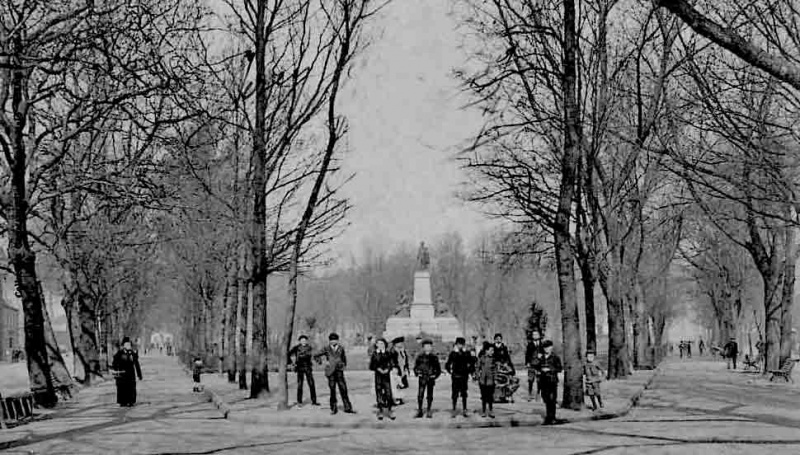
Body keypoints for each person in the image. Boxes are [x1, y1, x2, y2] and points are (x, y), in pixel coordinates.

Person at [314, 333, 355, 415]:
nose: (333, 341)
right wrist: (322, 362)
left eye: (335, 340)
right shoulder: (326, 348)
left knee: (343, 389)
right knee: (332, 390)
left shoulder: (341, 348)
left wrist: (343, 365)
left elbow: (344, 358)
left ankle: (348, 408)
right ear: (329, 341)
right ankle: (333, 408)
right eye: (332, 340)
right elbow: (315, 355)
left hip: (339, 371)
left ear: (337, 340)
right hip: (330, 372)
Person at [445, 337, 475, 418]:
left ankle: (465, 409)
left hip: (464, 376)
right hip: (455, 376)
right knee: (455, 393)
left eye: (461, 344)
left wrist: (470, 371)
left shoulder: (467, 353)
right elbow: (447, 364)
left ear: (464, 345)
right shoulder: (453, 353)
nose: (460, 346)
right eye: (458, 344)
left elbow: (472, 363)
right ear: (456, 344)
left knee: (464, 393)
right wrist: (450, 371)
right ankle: (454, 409)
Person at [535, 340, 562, 425]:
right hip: (543, 381)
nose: (547, 349)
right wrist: (540, 369)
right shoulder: (541, 358)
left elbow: (559, 368)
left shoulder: (555, 357)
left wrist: (550, 369)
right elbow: (536, 366)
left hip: (552, 380)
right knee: (546, 398)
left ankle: (552, 417)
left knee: (552, 399)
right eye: (545, 348)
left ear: (551, 347)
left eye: (548, 347)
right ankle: (548, 416)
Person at [111, 337, 143, 407]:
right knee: (122, 388)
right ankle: (123, 402)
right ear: (124, 345)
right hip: (122, 375)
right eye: (127, 344)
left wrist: (139, 375)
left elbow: (137, 364)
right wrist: (115, 369)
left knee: (131, 388)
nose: (128, 346)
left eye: (129, 344)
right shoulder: (119, 353)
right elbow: (114, 363)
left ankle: (131, 401)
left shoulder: (132, 353)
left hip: (131, 374)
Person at [369, 338, 396, 420]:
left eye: (382, 343)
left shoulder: (388, 353)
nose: (380, 345)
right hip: (378, 375)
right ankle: (380, 410)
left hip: (386, 376)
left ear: (385, 344)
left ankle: (390, 410)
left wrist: (388, 369)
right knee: (379, 392)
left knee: (388, 393)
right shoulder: (374, 354)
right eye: (379, 344)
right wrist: (378, 369)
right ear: (376, 345)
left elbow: (392, 363)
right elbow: (371, 365)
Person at [413, 339, 441, 418]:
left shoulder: (434, 357)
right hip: (422, 378)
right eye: (426, 346)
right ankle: (420, 410)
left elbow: (438, 369)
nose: (427, 348)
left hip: (430, 378)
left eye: (429, 346)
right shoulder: (420, 357)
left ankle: (429, 410)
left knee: (429, 395)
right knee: (420, 395)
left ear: (431, 347)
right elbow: (415, 367)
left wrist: (435, 376)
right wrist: (417, 373)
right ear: (423, 347)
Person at [289, 334, 318, 406]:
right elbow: (288, 354)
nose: (303, 341)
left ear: (306, 341)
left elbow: (315, 355)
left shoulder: (310, 348)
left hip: (308, 367)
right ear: (300, 341)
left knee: (311, 384)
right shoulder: (296, 348)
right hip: (299, 367)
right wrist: (291, 363)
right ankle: (299, 401)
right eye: (302, 340)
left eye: (305, 340)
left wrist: (318, 360)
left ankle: (314, 401)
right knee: (300, 385)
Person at [491, 333, 518, 403]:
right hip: (494, 367)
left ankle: (504, 396)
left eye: (499, 339)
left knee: (506, 381)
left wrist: (511, 368)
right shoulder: (491, 348)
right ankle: (495, 396)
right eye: (497, 339)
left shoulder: (504, 348)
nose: (498, 340)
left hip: (503, 367)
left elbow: (508, 358)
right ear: (494, 340)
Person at [475, 342, 497, 418]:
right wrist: (477, 375)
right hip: (483, 380)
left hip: (491, 380)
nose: (492, 352)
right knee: (484, 396)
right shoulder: (481, 358)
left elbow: (495, 369)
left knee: (490, 396)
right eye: (491, 350)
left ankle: (491, 410)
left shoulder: (493, 359)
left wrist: (496, 378)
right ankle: (484, 411)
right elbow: (477, 367)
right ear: (486, 351)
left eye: (493, 350)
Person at [525, 331, 545, 401]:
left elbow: (545, 353)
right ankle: (530, 394)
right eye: (533, 334)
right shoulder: (529, 344)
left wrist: (542, 357)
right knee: (530, 379)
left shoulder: (542, 344)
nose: (535, 336)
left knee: (539, 380)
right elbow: (527, 354)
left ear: (539, 335)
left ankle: (538, 394)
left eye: (536, 334)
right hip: (531, 364)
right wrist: (527, 362)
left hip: (540, 364)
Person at [390, 337, 410, 405]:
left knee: (401, 386)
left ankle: (400, 398)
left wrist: (406, 368)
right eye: (399, 343)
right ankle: (394, 399)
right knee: (395, 385)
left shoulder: (402, 351)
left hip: (402, 370)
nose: (401, 344)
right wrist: (394, 368)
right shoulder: (393, 352)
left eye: (401, 343)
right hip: (395, 370)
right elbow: (392, 361)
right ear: (395, 344)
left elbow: (405, 360)